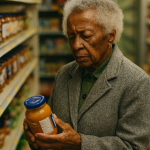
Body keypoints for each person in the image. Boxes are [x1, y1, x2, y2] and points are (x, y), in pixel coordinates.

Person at [24, 0, 150, 149]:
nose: (76, 45)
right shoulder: (64, 74)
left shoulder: (137, 82)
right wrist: (37, 138)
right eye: (71, 37)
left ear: (110, 35)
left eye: (86, 35)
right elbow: (51, 129)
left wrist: (79, 143)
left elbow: (133, 146)